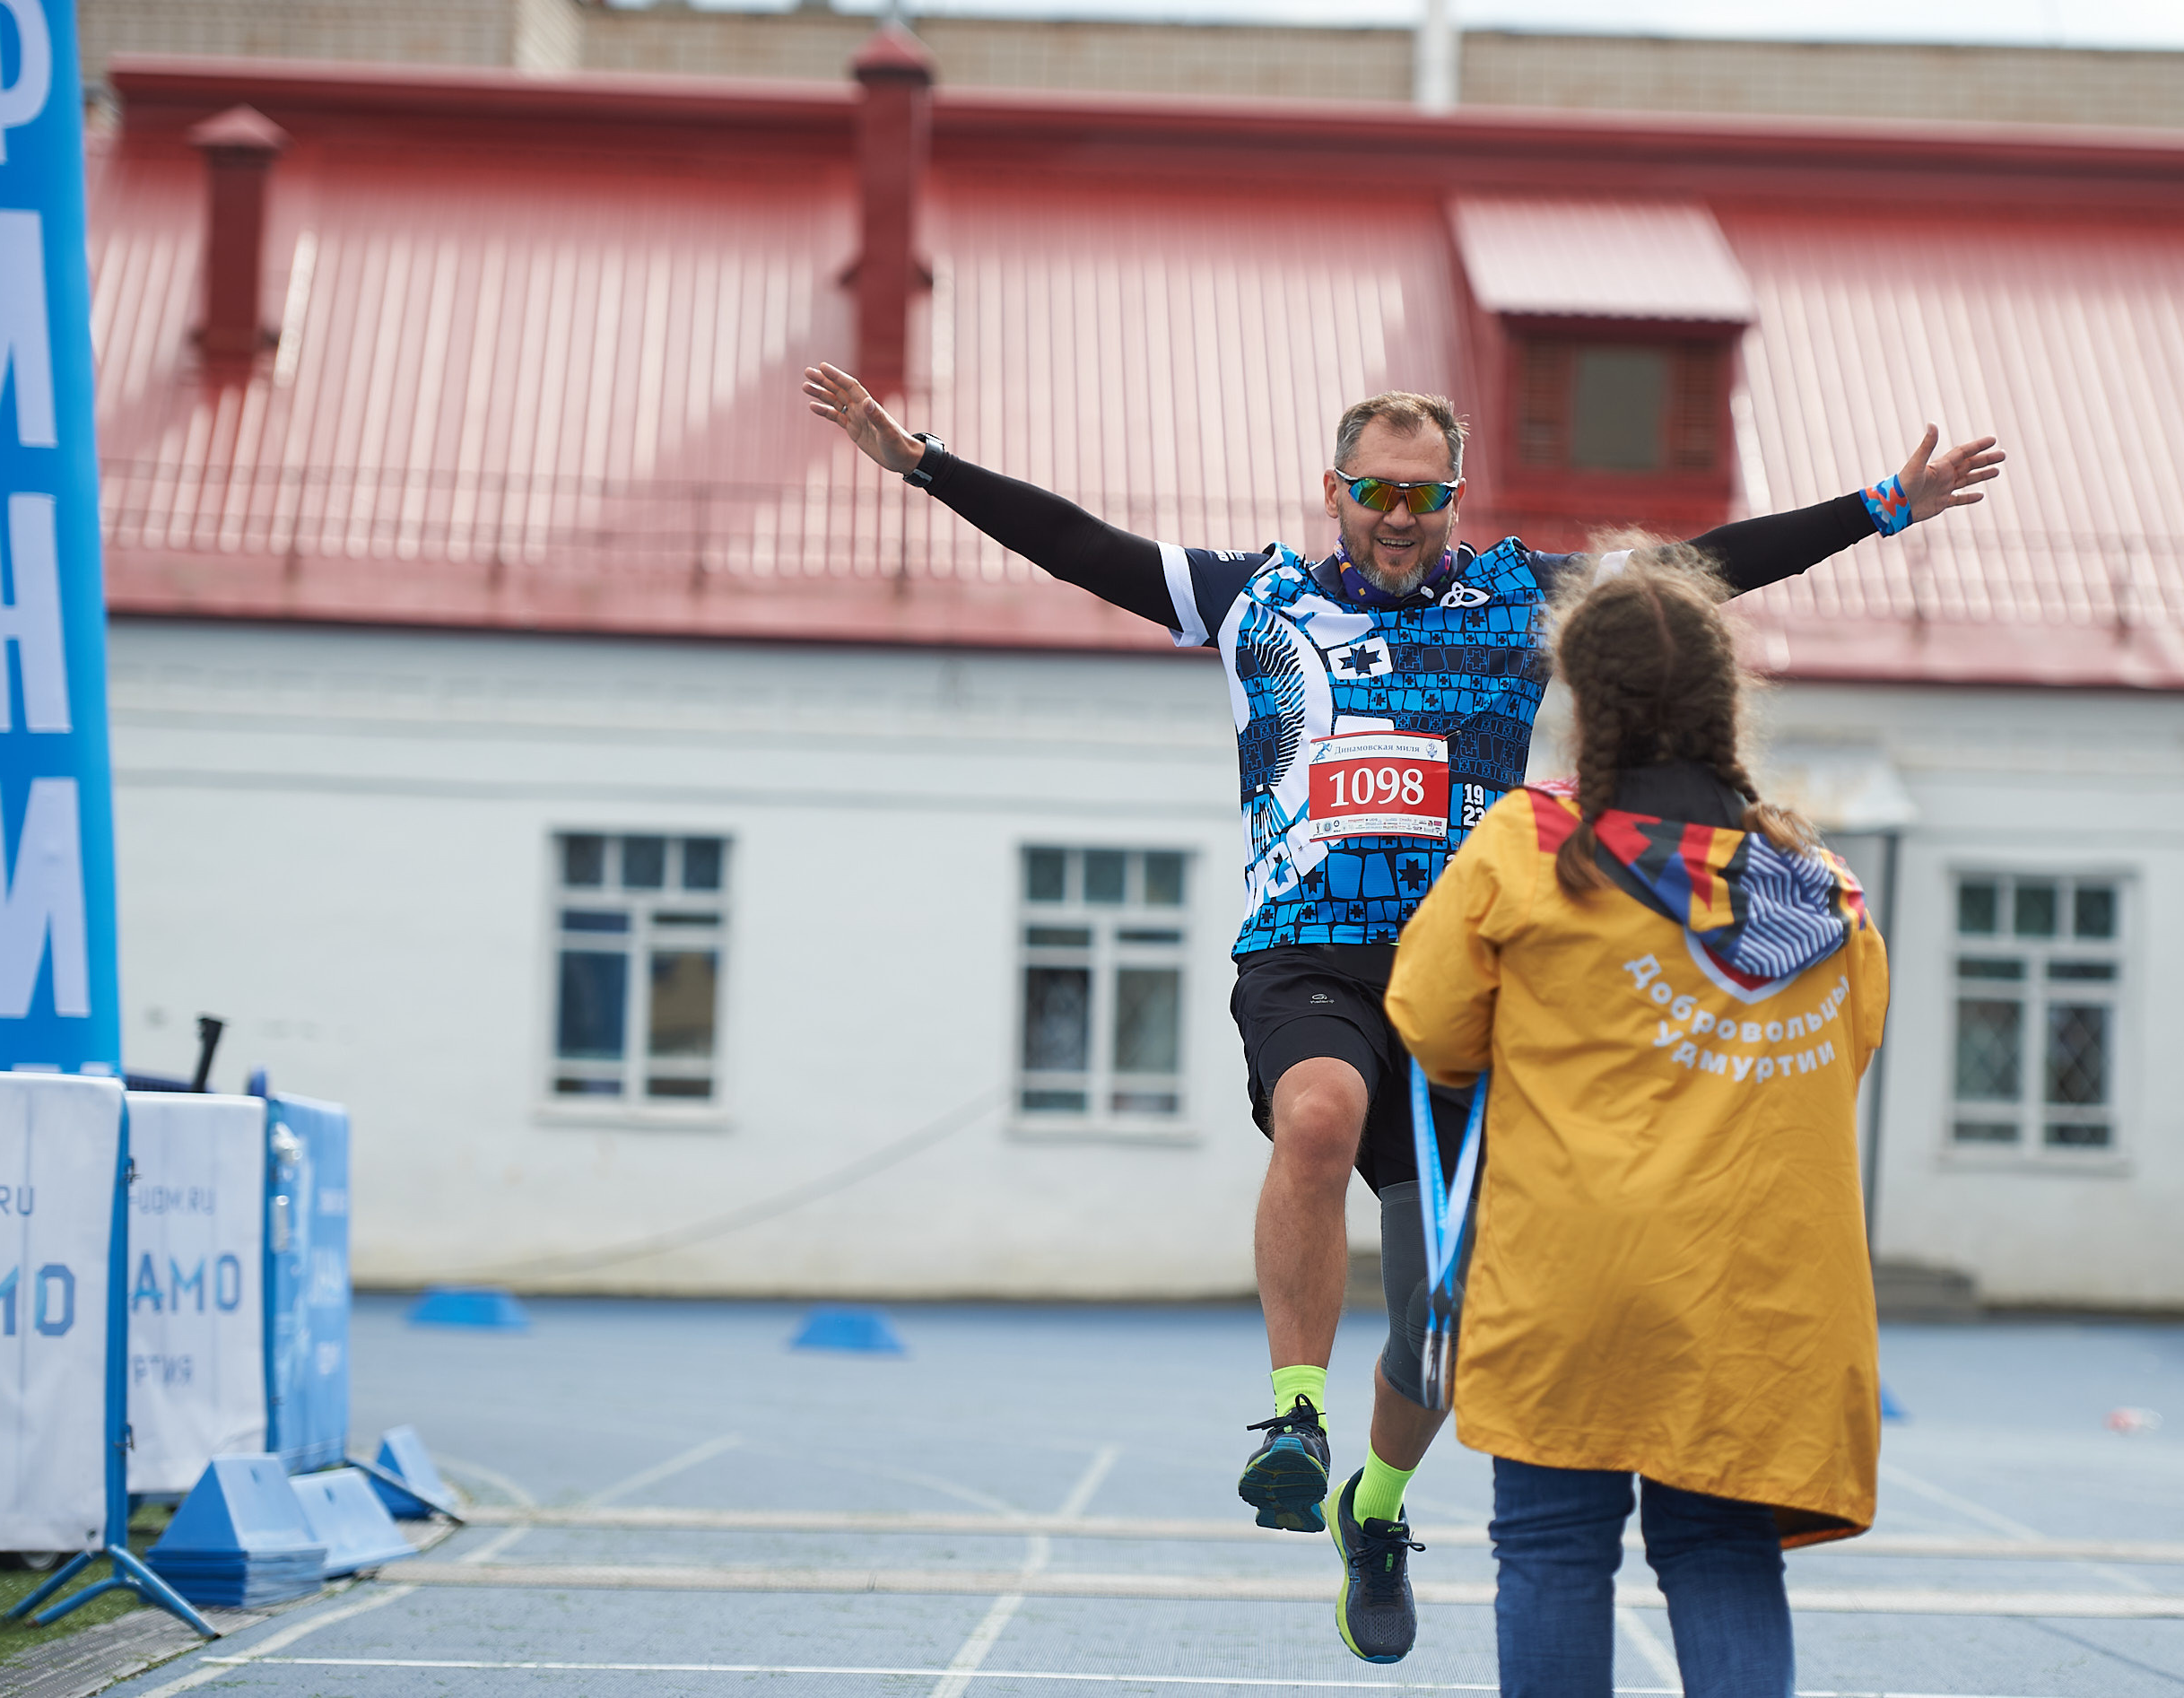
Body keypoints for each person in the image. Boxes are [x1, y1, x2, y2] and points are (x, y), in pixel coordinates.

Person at [800, 360, 1992, 1557]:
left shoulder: (1523, 601)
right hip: (1304, 956)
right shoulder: (1249, 602)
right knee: (1317, 1114)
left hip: (1467, 981)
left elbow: (1701, 568)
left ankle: (1375, 1508)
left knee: (1439, 1315)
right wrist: (921, 465)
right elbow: (1077, 542)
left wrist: (1883, 502)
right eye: (1378, 490)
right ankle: (1294, 1419)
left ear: (1456, 502)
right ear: (1336, 489)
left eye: (1427, 496)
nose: (1400, 517)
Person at [1377, 546, 1889, 1694]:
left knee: (1554, 1550)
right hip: (1755, 1297)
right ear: (1723, 700)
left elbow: (1433, 1025)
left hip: (1573, 1281)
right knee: (1718, 1556)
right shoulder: (1825, 895)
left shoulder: (1530, 849)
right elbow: (1844, 1056)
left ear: (1582, 701)